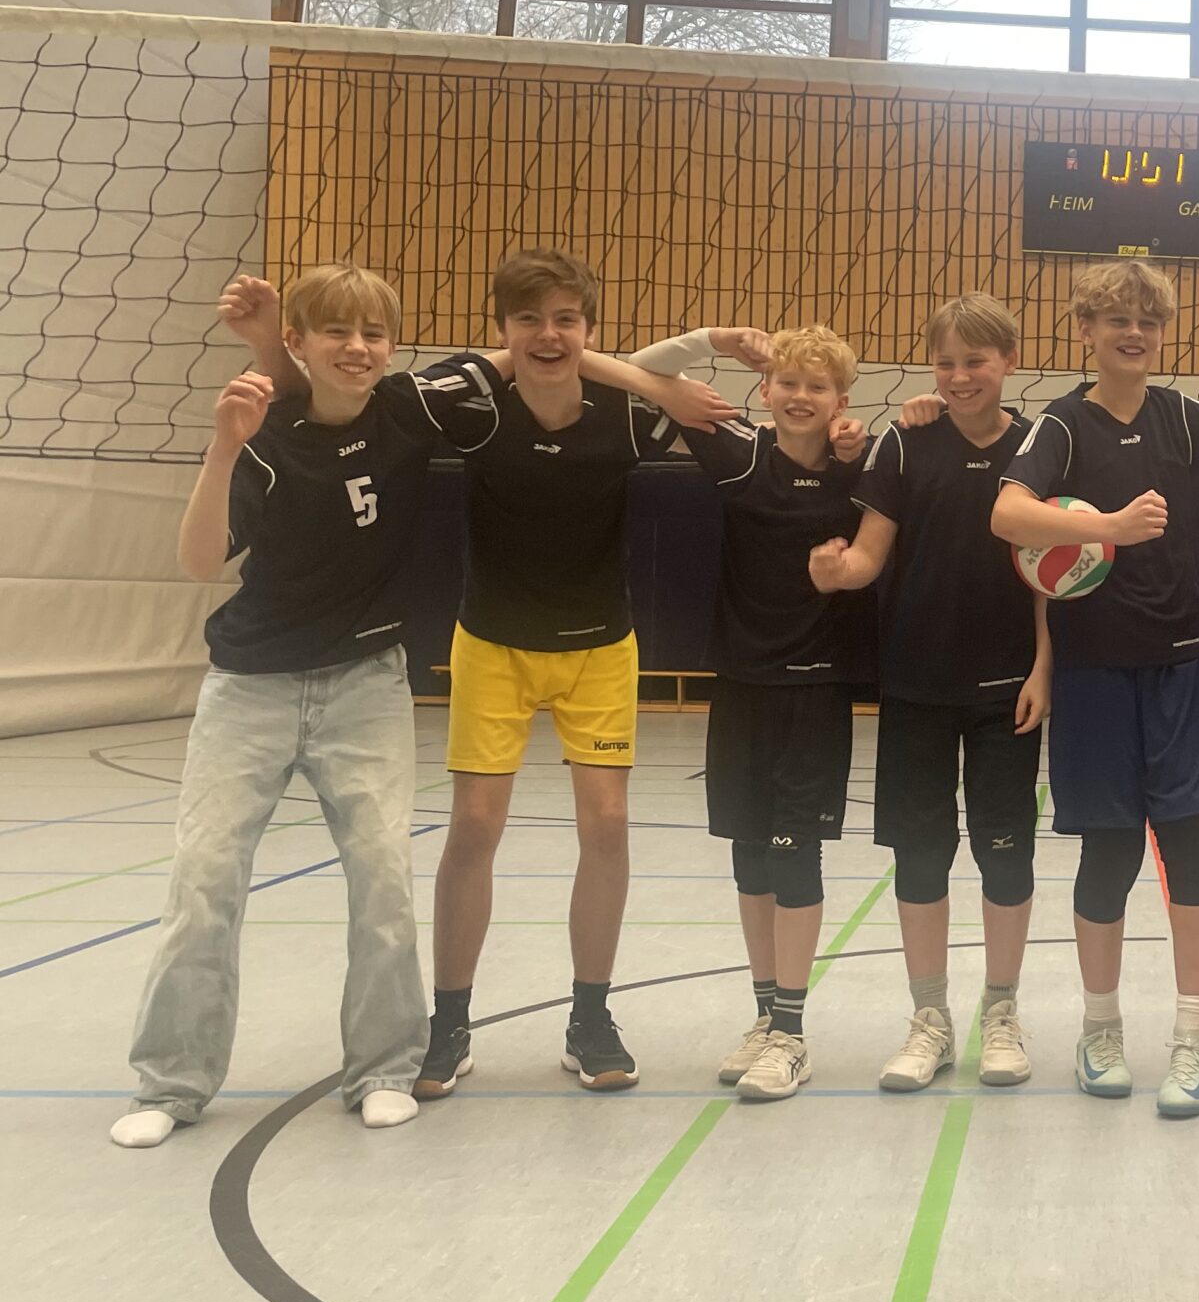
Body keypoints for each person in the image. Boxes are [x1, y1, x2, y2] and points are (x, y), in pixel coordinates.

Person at [111, 268, 480, 1147]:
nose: (358, 349)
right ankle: (171, 1083)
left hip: (365, 685)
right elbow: (202, 562)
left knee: (383, 875)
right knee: (204, 882)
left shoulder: (408, 410)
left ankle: (385, 1067)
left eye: (374, 334)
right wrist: (223, 446)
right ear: (301, 348)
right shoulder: (263, 432)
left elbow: (541, 356)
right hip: (251, 689)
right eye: (336, 334)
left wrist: (679, 368)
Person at [408, 249, 739, 1098]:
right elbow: (422, 382)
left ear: (590, 329)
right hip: (494, 644)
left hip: (598, 647)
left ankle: (590, 1015)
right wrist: (651, 368)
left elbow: (678, 400)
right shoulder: (476, 410)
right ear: (502, 331)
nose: (548, 337)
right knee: (475, 827)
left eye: (567, 321)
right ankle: (450, 1021)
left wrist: (671, 372)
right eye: (529, 321)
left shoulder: (625, 420)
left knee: (608, 825)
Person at [991, 259, 1199, 1118]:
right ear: (1085, 329)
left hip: (1179, 659)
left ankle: (1193, 1038)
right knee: (1110, 850)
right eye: (1116, 319)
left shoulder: (1181, 416)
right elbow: (1007, 513)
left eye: (1147, 322)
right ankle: (1100, 1027)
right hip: (1091, 668)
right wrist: (1106, 528)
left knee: (1191, 839)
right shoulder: (1062, 424)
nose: (1133, 332)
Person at [809, 294, 1050, 1093]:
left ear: (1008, 362)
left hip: (1007, 687)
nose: (957, 377)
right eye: (944, 363)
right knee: (921, 853)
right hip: (915, 682)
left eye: (974, 362)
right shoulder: (905, 445)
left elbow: (1056, 574)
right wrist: (841, 572)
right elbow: (873, 552)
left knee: (1004, 852)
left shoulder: (1041, 447)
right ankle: (930, 1018)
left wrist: (1045, 668)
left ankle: (1003, 1013)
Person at [627, 323, 869, 1103]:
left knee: (795, 856)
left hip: (814, 690)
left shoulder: (857, 470)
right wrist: (708, 341)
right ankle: (765, 1017)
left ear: (842, 400)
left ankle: (792, 1034)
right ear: (766, 392)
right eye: (788, 383)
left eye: (818, 386)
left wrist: (882, 434)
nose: (800, 397)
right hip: (738, 681)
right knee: (749, 854)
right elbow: (633, 375)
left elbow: (927, 442)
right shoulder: (738, 455)